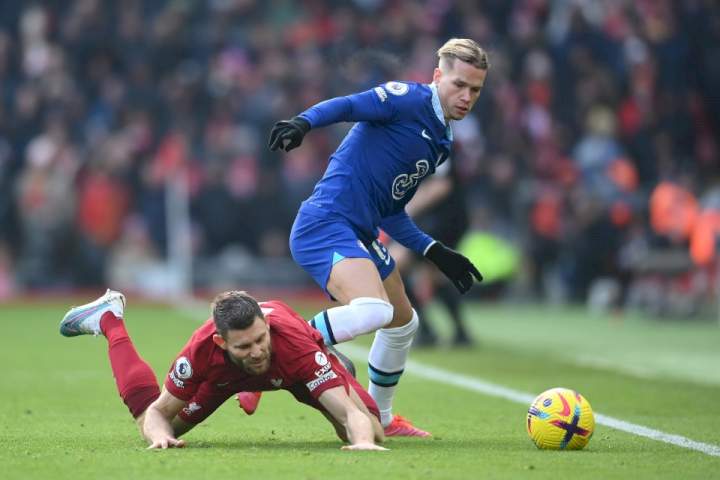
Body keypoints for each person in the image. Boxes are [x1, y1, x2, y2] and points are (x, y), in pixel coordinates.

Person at [268, 38, 488, 436]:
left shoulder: (441, 142)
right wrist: (304, 121)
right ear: (438, 76)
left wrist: (435, 251)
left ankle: (383, 417)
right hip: (326, 223)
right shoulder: (407, 99)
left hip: (361, 231)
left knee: (402, 323)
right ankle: (277, 347)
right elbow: (348, 105)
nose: (466, 96)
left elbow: (391, 211)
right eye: (459, 84)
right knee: (374, 310)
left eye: (475, 89)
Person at [59, 289, 386, 451]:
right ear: (220, 342)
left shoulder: (294, 345)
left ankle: (335, 365)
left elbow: (349, 415)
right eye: (244, 346)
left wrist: (362, 443)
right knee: (154, 425)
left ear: (267, 325)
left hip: (295, 368)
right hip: (223, 378)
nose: (257, 350)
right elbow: (158, 413)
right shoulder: (201, 351)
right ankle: (109, 318)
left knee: (370, 428)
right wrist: (160, 438)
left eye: (260, 339)